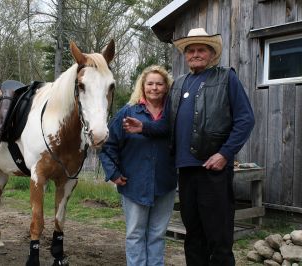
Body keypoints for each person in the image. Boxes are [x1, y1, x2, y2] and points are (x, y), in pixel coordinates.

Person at [123, 28, 255, 266]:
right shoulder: (179, 84)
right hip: (185, 171)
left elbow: (245, 120)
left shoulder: (226, 78)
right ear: (185, 56)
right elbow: (166, 124)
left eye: (201, 49)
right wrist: (143, 128)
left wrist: (224, 154)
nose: (195, 54)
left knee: (218, 235)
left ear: (211, 53)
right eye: (190, 50)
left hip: (213, 171)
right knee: (193, 234)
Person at [99, 65, 178, 266]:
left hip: (165, 184)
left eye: (159, 84)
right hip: (134, 184)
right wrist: (113, 172)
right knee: (135, 235)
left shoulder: (173, 115)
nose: (154, 88)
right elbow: (107, 146)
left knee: (158, 235)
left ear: (166, 87)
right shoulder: (128, 112)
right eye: (150, 83)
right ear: (142, 86)